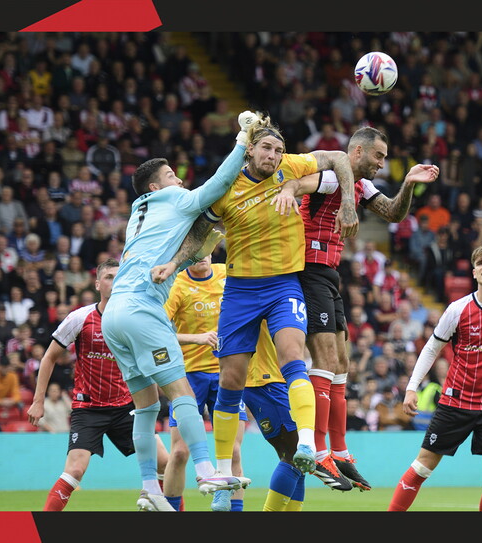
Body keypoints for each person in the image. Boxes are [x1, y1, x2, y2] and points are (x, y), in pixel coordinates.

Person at [152, 113, 361, 481]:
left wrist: (347, 203)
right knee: (231, 380)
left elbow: (341, 159)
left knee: (294, 356)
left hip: (283, 286)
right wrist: (172, 264)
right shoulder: (228, 187)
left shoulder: (291, 168)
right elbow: (201, 231)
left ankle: (308, 445)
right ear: (249, 150)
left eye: (279, 150)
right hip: (241, 290)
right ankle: (220, 472)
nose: (274, 155)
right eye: (267, 148)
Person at [100, 111, 261, 511]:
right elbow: (217, 187)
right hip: (142, 309)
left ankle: (149, 489)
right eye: (172, 174)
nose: (179, 179)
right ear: (156, 185)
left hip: (114, 314)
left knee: (145, 405)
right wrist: (243, 140)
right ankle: (207, 470)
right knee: (180, 392)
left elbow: (175, 248)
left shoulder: (136, 217)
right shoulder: (170, 198)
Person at [271, 126, 439, 490]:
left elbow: (393, 213)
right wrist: (286, 189)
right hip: (307, 270)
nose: (382, 163)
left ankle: (341, 450)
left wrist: (409, 183)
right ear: (358, 152)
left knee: (342, 364)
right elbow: (298, 185)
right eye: (378, 156)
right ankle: (317, 451)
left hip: (329, 274)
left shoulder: (360, 187)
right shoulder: (331, 178)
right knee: (326, 361)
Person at [388, 244, 482, 512]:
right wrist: (412, 387)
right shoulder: (458, 309)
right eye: (479, 262)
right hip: (455, 402)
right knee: (423, 465)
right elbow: (431, 348)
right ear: (473, 271)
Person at [27, 259, 172, 511]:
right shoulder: (80, 318)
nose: (114, 282)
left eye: (119, 277)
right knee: (74, 470)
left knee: (166, 463)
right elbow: (49, 357)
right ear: (97, 284)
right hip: (88, 409)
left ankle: (152, 496)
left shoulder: (134, 320)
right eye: (109, 277)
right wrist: (38, 401)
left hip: (126, 406)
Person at [163, 255, 250, 511]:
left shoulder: (228, 273)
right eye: (195, 251)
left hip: (229, 372)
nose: (201, 255)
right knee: (179, 452)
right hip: (189, 377)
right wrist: (197, 338)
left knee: (233, 452)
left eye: (206, 249)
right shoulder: (176, 285)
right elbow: (158, 332)